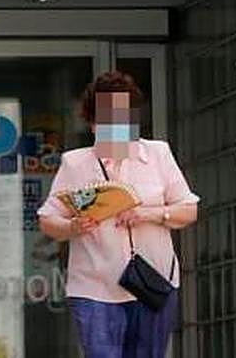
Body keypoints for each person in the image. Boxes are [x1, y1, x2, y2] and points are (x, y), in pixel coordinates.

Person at [38, 71, 199, 358]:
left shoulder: (157, 155)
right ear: (91, 124)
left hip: (152, 280)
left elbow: (188, 210)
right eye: (105, 121)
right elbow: (48, 219)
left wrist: (148, 214)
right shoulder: (75, 164)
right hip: (94, 285)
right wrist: (73, 227)